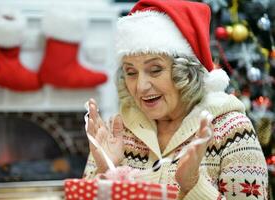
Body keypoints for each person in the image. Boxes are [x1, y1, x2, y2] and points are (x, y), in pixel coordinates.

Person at [83, 0, 269, 199]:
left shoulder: (233, 130)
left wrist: (193, 186)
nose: (140, 86)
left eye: (155, 70)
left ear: (186, 73)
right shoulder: (118, 130)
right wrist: (104, 170)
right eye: (130, 72)